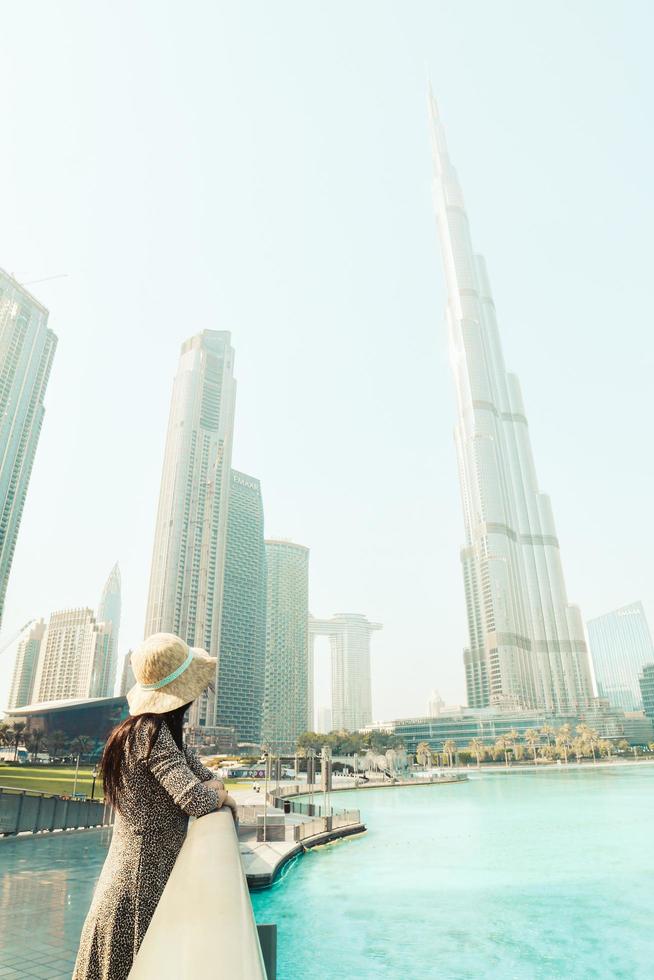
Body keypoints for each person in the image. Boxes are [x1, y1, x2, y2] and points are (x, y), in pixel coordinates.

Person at [73, 633, 238, 980]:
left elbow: (202, 777)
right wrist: (221, 794)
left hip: (137, 879)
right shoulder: (149, 732)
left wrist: (213, 787)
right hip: (138, 887)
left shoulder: (154, 733)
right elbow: (197, 798)